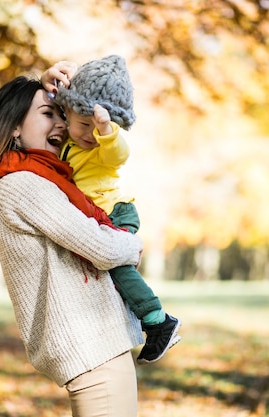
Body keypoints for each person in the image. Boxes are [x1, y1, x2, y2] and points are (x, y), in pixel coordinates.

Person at [0, 75, 145, 417]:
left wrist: (51, 82)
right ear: (13, 126)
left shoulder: (40, 175)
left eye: (62, 114)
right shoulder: (22, 184)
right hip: (93, 355)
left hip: (98, 350)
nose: (62, 123)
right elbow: (102, 248)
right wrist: (132, 244)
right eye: (49, 114)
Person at [41, 55, 181, 365]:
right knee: (105, 269)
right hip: (97, 212)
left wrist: (107, 131)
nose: (89, 134)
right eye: (84, 124)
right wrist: (45, 81)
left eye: (100, 128)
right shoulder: (68, 138)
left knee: (117, 266)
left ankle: (158, 321)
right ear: (69, 112)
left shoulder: (104, 147)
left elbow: (119, 155)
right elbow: (42, 111)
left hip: (116, 211)